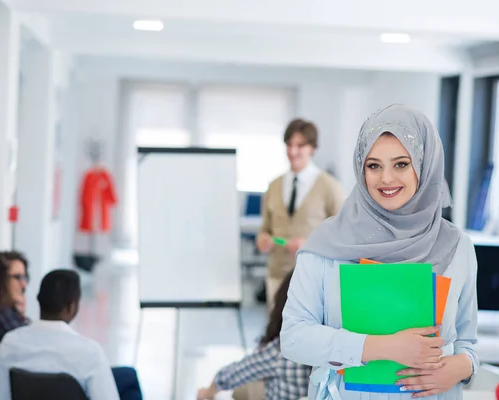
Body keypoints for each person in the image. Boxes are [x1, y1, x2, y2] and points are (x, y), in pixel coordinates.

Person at [280, 104, 479, 399]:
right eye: (374, 165)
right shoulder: (329, 243)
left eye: (401, 164)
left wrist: (463, 367)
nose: (386, 178)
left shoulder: (457, 246)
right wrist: (383, 347)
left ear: (424, 166)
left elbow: (467, 340)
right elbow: (294, 338)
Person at [0, 269, 143, 400]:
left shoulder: (9, 343)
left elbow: (2, 397)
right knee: (128, 378)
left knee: (126, 375)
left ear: (39, 301)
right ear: (72, 306)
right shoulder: (90, 352)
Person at [256, 118, 345, 309]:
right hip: (277, 275)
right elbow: (265, 228)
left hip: (311, 278)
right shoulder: (273, 186)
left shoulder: (330, 187)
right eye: (289, 145)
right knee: (275, 334)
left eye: (300, 145)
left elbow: (343, 234)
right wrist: (263, 238)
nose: (292, 151)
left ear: (312, 148)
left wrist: (312, 246)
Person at [197, 270, 311, 400]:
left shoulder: (281, 352)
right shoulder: (329, 346)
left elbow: (233, 374)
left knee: (239, 392)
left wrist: (207, 393)